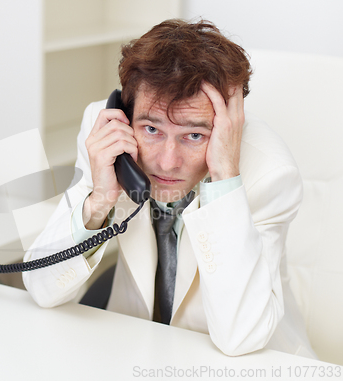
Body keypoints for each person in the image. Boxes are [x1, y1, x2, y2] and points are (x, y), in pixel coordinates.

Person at [22, 19, 316, 358]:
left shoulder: (270, 173)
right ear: (124, 113)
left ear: (228, 126)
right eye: (151, 129)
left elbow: (241, 338)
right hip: (134, 353)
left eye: (194, 135)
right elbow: (42, 288)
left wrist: (224, 181)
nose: (167, 162)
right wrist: (99, 200)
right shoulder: (106, 135)